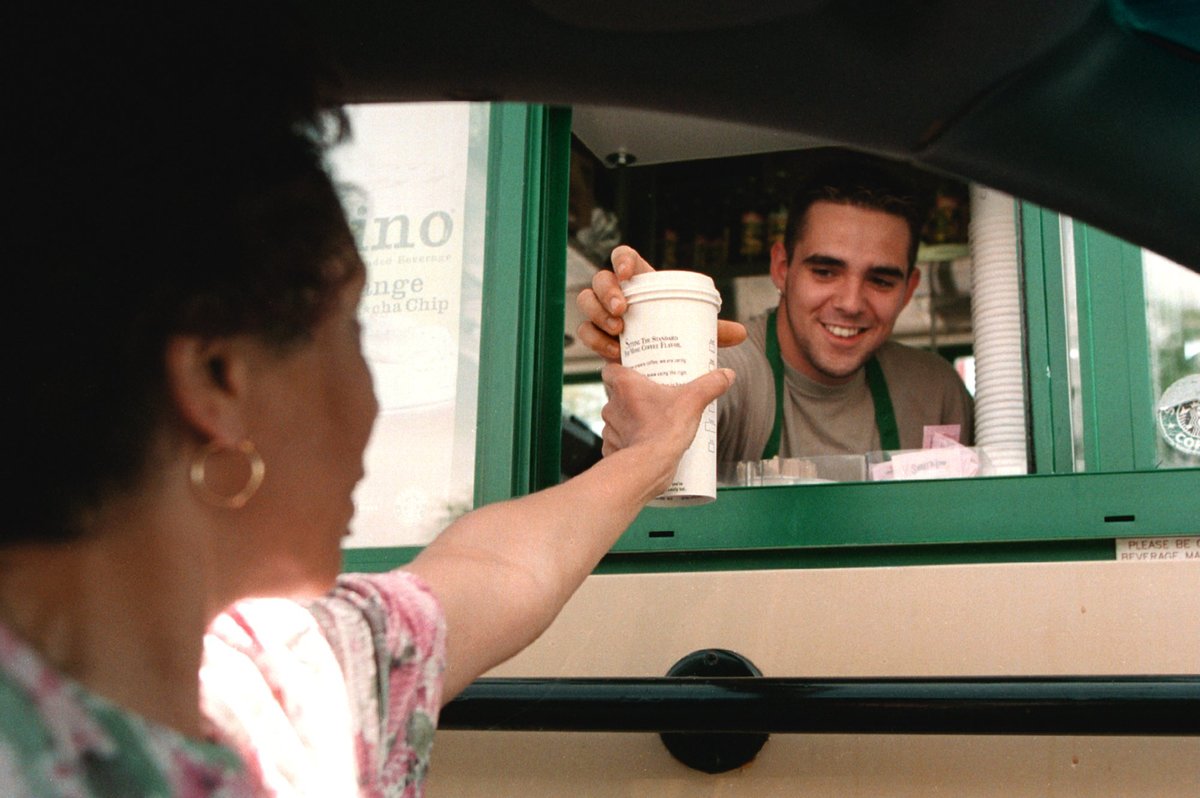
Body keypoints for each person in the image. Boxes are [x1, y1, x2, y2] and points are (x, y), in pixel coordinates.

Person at [1, 4, 733, 796]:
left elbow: (491, 567)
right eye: (354, 332)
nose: (373, 405)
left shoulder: (281, 676)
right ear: (217, 379)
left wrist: (650, 455)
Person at [578, 154, 974, 470]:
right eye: (825, 271)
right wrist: (657, 326)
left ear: (909, 290)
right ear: (782, 268)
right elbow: (675, 409)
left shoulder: (936, 392)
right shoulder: (734, 370)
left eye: (881, 281)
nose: (851, 303)